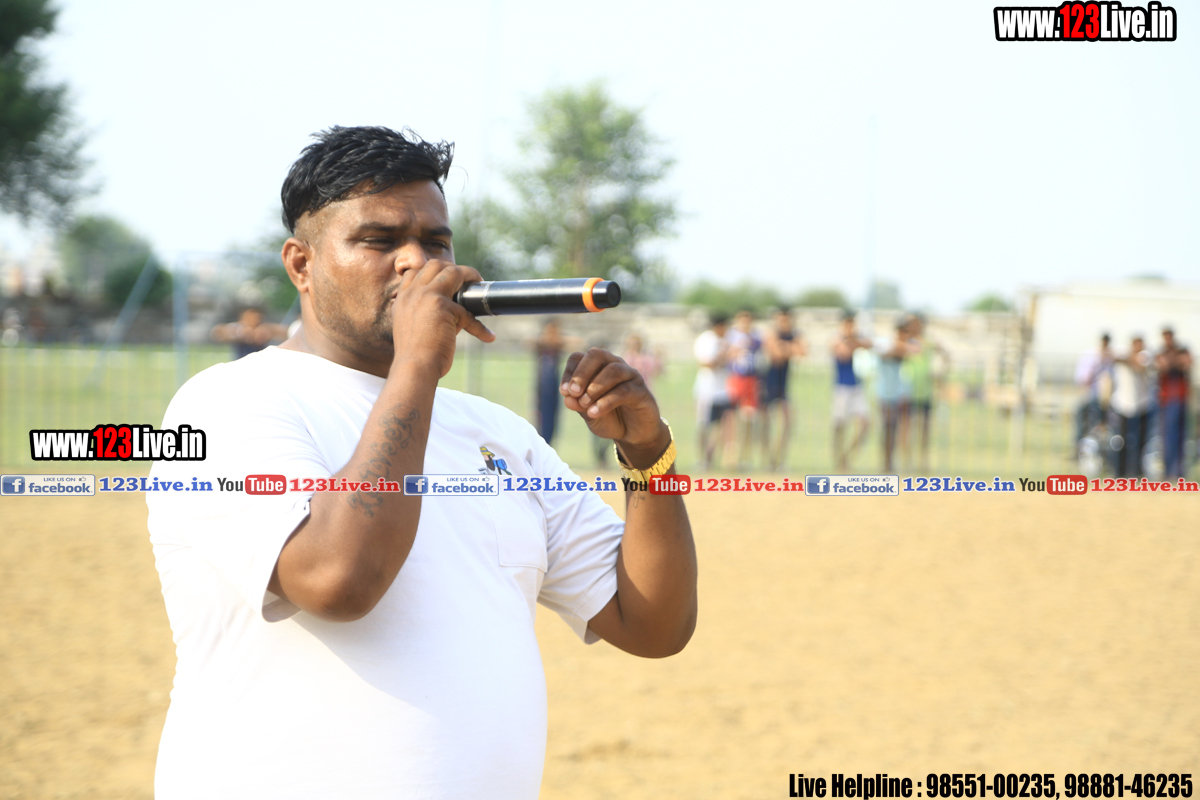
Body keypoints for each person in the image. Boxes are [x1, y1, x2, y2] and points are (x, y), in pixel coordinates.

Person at [145, 126, 697, 800]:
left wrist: (647, 455)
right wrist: (416, 365)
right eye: (379, 240)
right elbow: (337, 580)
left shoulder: (500, 435)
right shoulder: (228, 404)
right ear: (301, 265)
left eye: (436, 243)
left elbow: (653, 624)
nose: (415, 262)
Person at [760, 307, 807, 471]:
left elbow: (802, 352)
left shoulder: (794, 334)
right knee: (766, 422)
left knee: (787, 421)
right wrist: (790, 348)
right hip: (768, 383)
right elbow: (776, 354)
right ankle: (768, 459)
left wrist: (784, 347)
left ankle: (780, 458)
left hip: (784, 384)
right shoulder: (771, 333)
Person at [899, 313, 946, 472]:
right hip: (908, 391)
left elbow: (944, 354)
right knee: (906, 428)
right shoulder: (905, 341)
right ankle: (907, 462)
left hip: (925, 391)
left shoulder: (928, 343)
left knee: (924, 430)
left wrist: (939, 374)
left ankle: (923, 463)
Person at [831, 309, 872, 472]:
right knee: (840, 424)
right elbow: (843, 353)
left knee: (865, 423)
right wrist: (855, 343)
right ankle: (838, 459)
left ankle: (847, 456)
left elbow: (870, 344)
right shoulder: (837, 339)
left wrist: (855, 342)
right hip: (842, 387)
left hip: (857, 387)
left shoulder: (857, 338)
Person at [875, 314, 915, 474]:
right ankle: (886, 462)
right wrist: (900, 347)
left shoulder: (906, 345)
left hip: (899, 394)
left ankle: (892, 462)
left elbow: (911, 351)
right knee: (888, 429)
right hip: (885, 393)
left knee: (897, 430)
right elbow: (888, 352)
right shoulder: (886, 343)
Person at [693, 314, 732, 470]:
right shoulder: (706, 340)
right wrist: (723, 355)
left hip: (723, 390)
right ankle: (701, 458)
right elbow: (706, 363)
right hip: (706, 390)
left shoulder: (728, 339)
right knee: (704, 425)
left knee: (719, 427)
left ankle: (710, 458)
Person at [1111, 335, 1153, 478]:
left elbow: (1139, 366)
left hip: (1142, 405)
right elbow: (1114, 357)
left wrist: (1128, 358)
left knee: (1141, 441)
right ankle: (1119, 473)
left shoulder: (1145, 356)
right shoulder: (1124, 355)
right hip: (1122, 404)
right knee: (1121, 440)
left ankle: (1137, 472)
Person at [725, 309, 762, 469]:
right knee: (732, 420)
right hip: (736, 379)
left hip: (751, 381)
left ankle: (746, 457)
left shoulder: (757, 337)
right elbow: (727, 355)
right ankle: (731, 458)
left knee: (748, 419)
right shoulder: (731, 336)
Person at [1155, 327, 1192, 479]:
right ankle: (1169, 472)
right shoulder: (1162, 352)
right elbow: (1163, 366)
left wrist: (1173, 361)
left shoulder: (1181, 350)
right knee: (1168, 437)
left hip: (1181, 398)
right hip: (1167, 399)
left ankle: (1178, 472)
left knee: (1181, 437)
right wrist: (1175, 361)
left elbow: (1187, 363)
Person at [1074, 333, 1114, 451]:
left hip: (1107, 399)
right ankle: (1079, 446)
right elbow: (1083, 379)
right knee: (1082, 416)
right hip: (1092, 395)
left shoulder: (1112, 357)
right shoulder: (1091, 356)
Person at [210, 307, 288, 359]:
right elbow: (219, 332)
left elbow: (287, 332)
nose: (256, 319)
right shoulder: (238, 329)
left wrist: (271, 331)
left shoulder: (266, 329)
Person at [533, 319, 564, 444]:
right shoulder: (541, 344)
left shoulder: (558, 344)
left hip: (554, 385)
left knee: (553, 419)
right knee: (542, 418)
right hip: (543, 385)